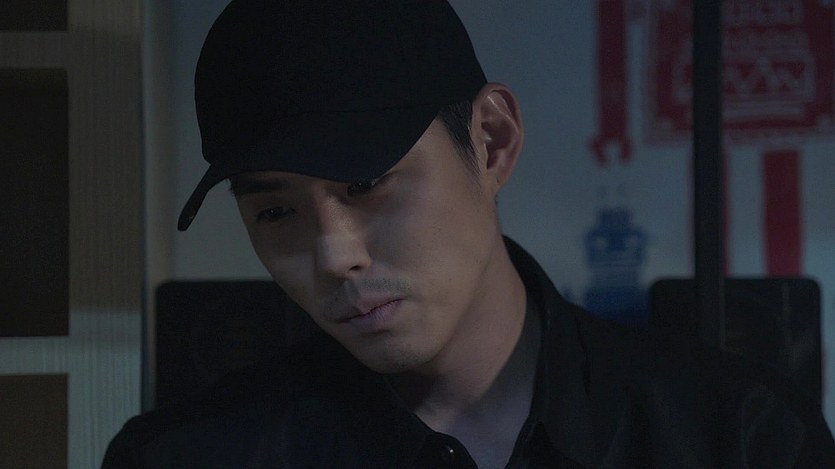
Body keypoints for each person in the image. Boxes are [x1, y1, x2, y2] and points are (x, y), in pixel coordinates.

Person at [103, 0, 835, 467]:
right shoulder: (186, 456)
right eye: (275, 212)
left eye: (366, 185)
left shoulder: (739, 435)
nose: (334, 255)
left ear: (491, 140)